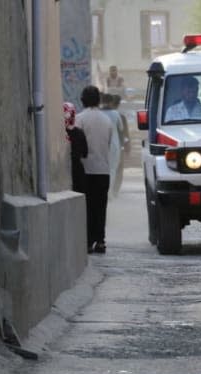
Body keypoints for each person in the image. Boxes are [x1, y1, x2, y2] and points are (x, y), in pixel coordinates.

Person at [76, 85, 114, 254]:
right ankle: (100, 241)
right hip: (103, 170)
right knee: (101, 207)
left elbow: (77, 144)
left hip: (86, 170)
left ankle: (88, 241)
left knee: (88, 207)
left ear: (83, 100)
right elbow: (108, 143)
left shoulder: (80, 119)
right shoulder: (107, 120)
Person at [100, 93, 125, 199]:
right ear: (111, 102)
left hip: (100, 144)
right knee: (112, 170)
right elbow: (121, 129)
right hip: (114, 145)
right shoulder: (115, 114)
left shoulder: (99, 113)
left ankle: (102, 192)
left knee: (101, 170)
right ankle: (109, 193)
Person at [64, 102, 88, 193]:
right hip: (77, 170)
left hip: (63, 170)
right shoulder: (80, 133)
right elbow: (85, 153)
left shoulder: (59, 133)